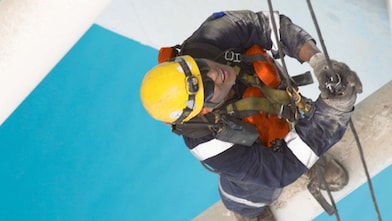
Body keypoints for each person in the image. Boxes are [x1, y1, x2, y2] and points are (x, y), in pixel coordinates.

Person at [140, 10, 362, 221]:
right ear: (203, 110)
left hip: (278, 108)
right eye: (207, 86)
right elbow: (278, 170)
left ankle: (308, 155)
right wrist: (335, 109)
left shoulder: (210, 37)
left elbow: (268, 25)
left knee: (295, 124)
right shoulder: (208, 142)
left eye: (200, 67)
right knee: (254, 187)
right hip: (256, 149)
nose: (215, 73)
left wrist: (317, 60)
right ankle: (247, 212)